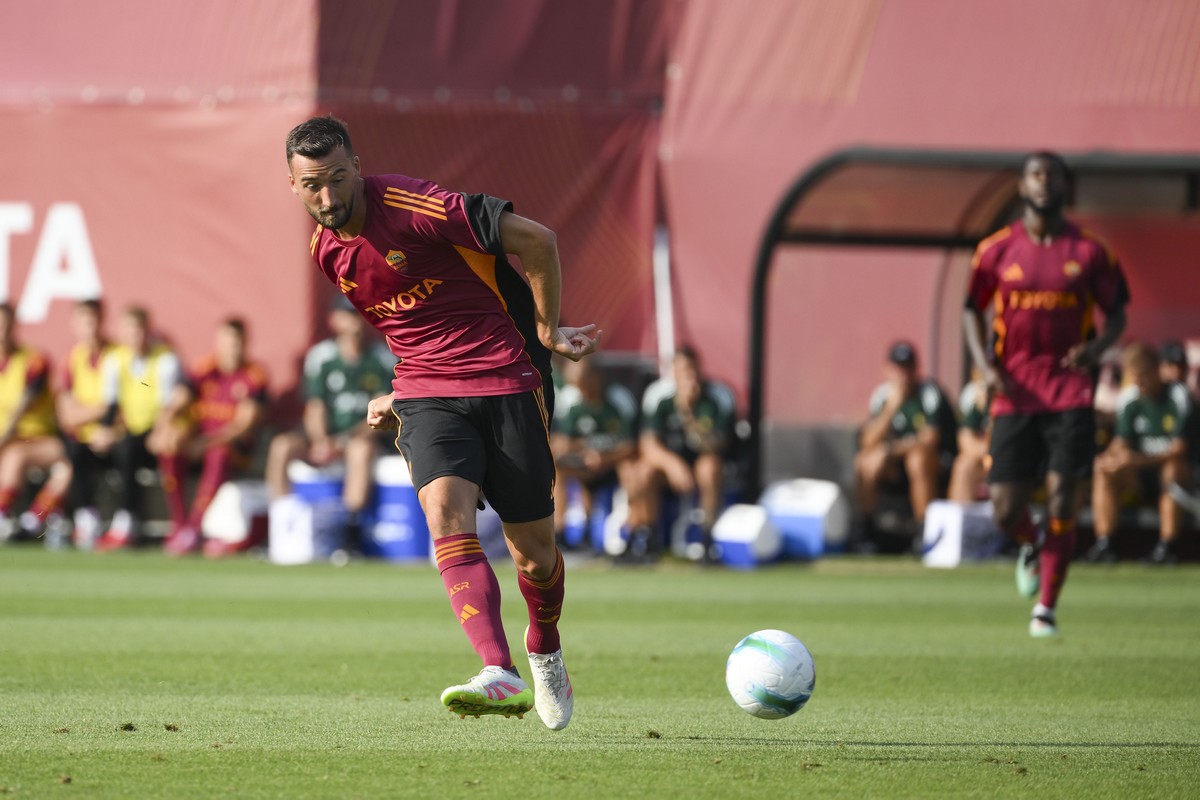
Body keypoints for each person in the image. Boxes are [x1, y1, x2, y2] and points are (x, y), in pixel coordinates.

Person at [286, 115, 599, 729]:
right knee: (445, 517)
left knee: (533, 555)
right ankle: (499, 671)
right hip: (428, 394)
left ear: (357, 168)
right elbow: (408, 326)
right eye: (312, 185)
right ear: (293, 185)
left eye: (338, 178)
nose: (327, 196)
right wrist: (401, 391)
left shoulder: (413, 205)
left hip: (507, 378)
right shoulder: (326, 252)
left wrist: (545, 329)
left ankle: (544, 648)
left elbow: (537, 240)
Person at [964, 151, 1130, 638]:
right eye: (1035, 174)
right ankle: (1032, 541)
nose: (1044, 182)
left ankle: (1046, 610)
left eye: (1052, 175)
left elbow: (1117, 313)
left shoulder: (1091, 251)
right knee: (1004, 510)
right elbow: (970, 308)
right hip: (1013, 392)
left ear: (1064, 187)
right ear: (1022, 186)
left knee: (1062, 500)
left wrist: (1096, 348)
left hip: (1070, 391)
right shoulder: (996, 250)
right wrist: (984, 366)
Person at [265, 297, 396, 552]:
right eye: (349, 314)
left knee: (360, 450)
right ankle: (280, 526)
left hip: (362, 435)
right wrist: (322, 441)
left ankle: (349, 530)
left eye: (359, 314)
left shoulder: (381, 358)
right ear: (334, 320)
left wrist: (342, 442)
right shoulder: (321, 357)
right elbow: (315, 407)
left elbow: (381, 413)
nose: (355, 321)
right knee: (281, 446)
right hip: (324, 433)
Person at [154, 318, 268, 556]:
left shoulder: (253, 376)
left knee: (219, 454)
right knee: (170, 447)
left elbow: (243, 426)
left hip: (232, 450)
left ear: (245, 343)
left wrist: (205, 443)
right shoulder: (204, 370)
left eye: (237, 342)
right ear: (218, 342)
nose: (232, 348)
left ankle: (194, 528)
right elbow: (179, 399)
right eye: (227, 341)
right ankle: (180, 523)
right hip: (199, 442)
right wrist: (163, 427)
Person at [1087, 342, 1196, 565]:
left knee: (1172, 471)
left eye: (1144, 376)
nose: (1140, 384)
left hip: (1176, 474)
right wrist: (1109, 458)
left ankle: (1167, 546)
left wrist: (1137, 460)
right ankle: (1105, 543)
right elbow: (1121, 441)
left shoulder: (1177, 395)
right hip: (1140, 473)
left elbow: (1180, 448)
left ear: (1157, 370)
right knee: (1105, 471)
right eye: (1135, 378)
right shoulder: (1131, 398)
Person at [89, 306, 184, 551]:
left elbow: (168, 405)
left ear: (147, 332)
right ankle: (86, 519)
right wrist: (104, 431)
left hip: (156, 431)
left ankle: (126, 521)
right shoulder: (115, 360)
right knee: (84, 450)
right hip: (130, 432)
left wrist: (157, 431)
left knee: (128, 450)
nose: (134, 337)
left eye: (139, 331)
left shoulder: (165, 359)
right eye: (129, 331)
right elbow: (112, 404)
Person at [637, 346, 737, 562]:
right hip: (672, 466)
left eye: (691, 369)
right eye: (682, 371)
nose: (688, 376)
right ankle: (649, 540)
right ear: (673, 373)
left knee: (709, 467)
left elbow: (716, 446)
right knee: (644, 471)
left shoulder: (717, 396)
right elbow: (648, 445)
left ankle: (707, 540)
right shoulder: (659, 396)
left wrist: (688, 414)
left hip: (703, 461)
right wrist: (672, 464)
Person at [854, 341, 958, 539]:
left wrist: (891, 451)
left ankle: (924, 531)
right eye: (898, 368)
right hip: (896, 467)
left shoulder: (929, 393)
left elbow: (930, 439)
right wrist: (891, 408)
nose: (904, 375)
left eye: (908, 368)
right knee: (864, 462)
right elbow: (867, 441)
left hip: (936, 464)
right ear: (888, 369)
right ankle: (867, 531)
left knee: (917, 459)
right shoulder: (882, 396)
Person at [0, 303, 73, 543]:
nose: (3, 331)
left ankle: (29, 519)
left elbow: (24, 404)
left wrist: (4, 438)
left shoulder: (33, 359)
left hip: (36, 438)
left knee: (22, 457)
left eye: (6, 325)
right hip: (7, 441)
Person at [551, 357, 638, 549]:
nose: (582, 392)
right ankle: (560, 533)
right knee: (556, 468)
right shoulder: (572, 399)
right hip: (586, 462)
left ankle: (632, 533)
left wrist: (604, 458)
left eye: (583, 385)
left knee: (631, 470)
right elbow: (565, 441)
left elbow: (632, 445)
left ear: (596, 378)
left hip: (616, 462)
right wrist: (580, 450)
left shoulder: (619, 400)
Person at [56, 298, 115, 547]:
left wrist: (102, 419)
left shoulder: (116, 355)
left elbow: (126, 400)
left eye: (94, 320)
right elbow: (66, 414)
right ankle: (83, 518)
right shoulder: (72, 359)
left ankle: (123, 522)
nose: (90, 327)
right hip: (83, 437)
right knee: (73, 453)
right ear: (75, 324)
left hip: (112, 435)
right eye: (84, 321)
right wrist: (100, 408)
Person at [947, 368, 991, 503]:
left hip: (1013, 462)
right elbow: (966, 442)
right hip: (988, 459)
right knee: (964, 465)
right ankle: (961, 516)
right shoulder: (978, 401)